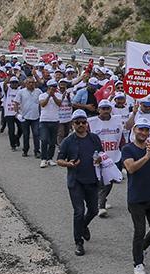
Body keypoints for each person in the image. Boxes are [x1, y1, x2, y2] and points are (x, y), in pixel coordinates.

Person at [121, 119, 150, 274]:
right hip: (136, 198)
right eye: (141, 129)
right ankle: (138, 264)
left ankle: (141, 249)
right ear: (134, 130)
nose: (144, 133)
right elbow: (131, 168)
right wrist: (147, 156)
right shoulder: (128, 149)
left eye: (146, 130)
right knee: (139, 231)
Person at [56, 110, 103, 256]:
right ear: (73, 124)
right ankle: (78, 242)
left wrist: (100, 159)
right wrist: (68, 164)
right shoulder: (68, 141)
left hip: (92, 180)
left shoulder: (94, 138)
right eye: (78, 122)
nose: (81, 125)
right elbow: (59, 160)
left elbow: (101, 154)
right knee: (79, 211)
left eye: (83, 122)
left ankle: (82, 226)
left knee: (94, 210)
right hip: (76, 181)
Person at [88, 99, 125, 217]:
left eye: (107, 108)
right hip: (98, 157)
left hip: (113, 156)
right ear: (99, 109)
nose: (105, 111)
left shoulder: (117, 121)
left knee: (110, 181)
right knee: (103, 182)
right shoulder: (92, 122)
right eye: (103, 108)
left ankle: (101, 199)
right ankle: (101, 206)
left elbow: (121, 138)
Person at [14, 76, 41, 158]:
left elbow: (42, 102)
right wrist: (17, 114)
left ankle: (37, 151)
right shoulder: (21, 92)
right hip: (24, 117)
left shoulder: (38, 91)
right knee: (26, 135)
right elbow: (16, 103)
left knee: (36, 134)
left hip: (36, 117)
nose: (31, 84)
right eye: (29, 82)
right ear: (25, 84)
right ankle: (25, 150)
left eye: (33, 82)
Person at [38, 79, 62, 168]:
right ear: (48, 87)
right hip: (44, 120)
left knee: (52, 141)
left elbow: (59, 104)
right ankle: (43, 159)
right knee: (44, 140)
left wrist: (54, 96)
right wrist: (49, 96)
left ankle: (50, 158)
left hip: (55, 120)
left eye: (55, 87)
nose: (54, 89)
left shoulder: (58, 95)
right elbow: (43, 104)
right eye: (52, 87)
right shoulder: (42, 95)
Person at [2, 77, 22, 151]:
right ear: (10, 83)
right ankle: (13, 145)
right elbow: (4, 84)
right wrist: (9, 76)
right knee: (11, 130)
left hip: (18, 113)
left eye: (15, 82)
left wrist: (18, 76)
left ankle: (17, 138)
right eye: (12, 82)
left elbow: (24, 83)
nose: (14, 84)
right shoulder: (8, 90)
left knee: (21, 128)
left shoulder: (20, 90)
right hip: (9, 113)